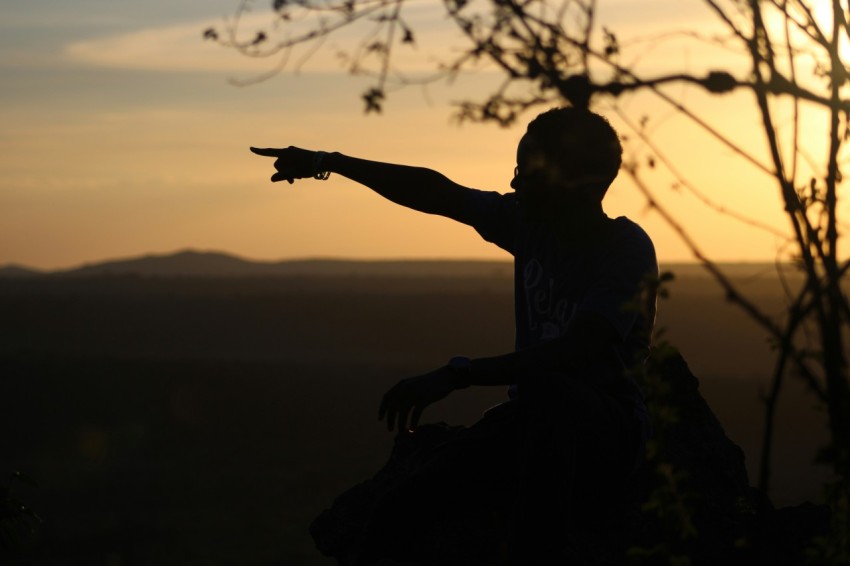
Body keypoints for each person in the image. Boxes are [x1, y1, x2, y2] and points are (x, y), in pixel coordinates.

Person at [252, 107, 658, 563]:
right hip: (530, 420)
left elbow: (576, 351)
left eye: (527, 172)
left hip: (604, 435)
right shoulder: (528, 225)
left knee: (552, 394)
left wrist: (458, 374)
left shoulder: (624, 249)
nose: (514, 185)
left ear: (571, 182)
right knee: (400, 512)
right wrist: (328, 161)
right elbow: (437, 192)